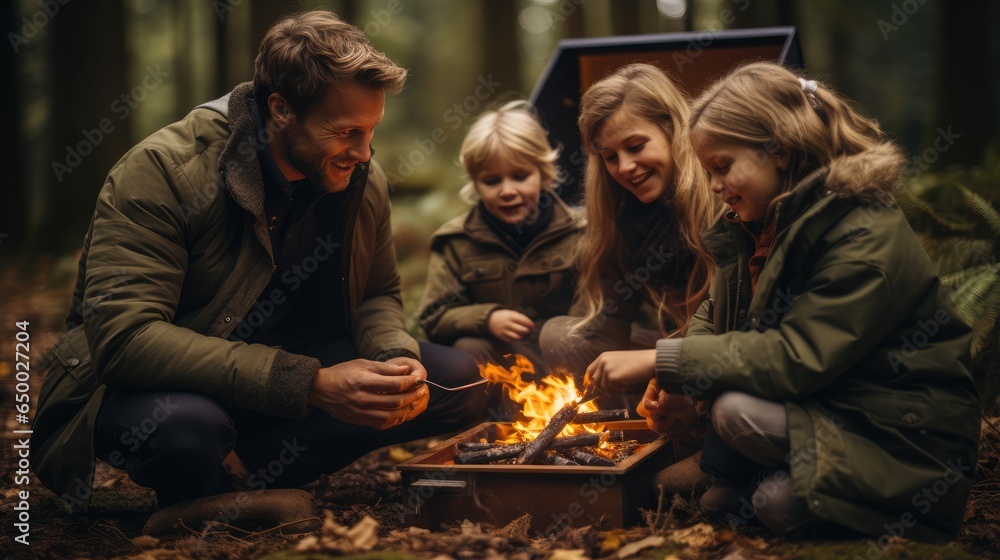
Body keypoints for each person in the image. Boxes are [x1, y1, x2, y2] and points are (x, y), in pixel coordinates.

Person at [31, 11, 487, 515]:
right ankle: (205, 476)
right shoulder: (162, 173)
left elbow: (377, 293)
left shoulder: (359, 175)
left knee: (456, 380)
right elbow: (126, 341)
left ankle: (239, 476)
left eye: (371, 130)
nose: (364, 153)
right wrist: (311, 383)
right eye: (346, 132)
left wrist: (393, 359)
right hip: (168, 385)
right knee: (188, 433)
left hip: (283, 380)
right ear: (281, 109)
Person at [588, 61, 980, 540]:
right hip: (834, 411)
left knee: (756, 461)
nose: (714, 186)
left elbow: (796, 354)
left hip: (903, 437)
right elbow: (718, 311)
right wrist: (678, 383)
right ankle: (754, 480)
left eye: (723, 167)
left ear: (780, 150)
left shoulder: (860, 232)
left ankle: (919, 510)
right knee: (713, 492)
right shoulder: (759, 225)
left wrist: (661, 357)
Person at [417, 101, 584, 372]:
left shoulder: (580, 232)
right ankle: (496, 414)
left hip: (568, 361)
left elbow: (601, 310)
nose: (507, 191)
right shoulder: (456, 242)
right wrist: (487, 318)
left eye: (520, 176)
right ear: (475, 183)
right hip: (504, 365)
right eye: (492, 181)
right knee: (469, 348)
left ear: (542, 173)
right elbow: (434, 316)